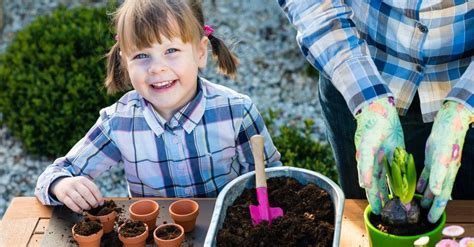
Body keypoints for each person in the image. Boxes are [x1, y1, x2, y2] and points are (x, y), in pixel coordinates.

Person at [35, 0, 281, 213]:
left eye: (171, 50)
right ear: (124, 61)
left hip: (225, 229)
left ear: (200, 52)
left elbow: (272, 181)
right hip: (156, 233)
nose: (156, 68)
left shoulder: (236, 112)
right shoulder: (119, 122)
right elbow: (56, 173)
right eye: (141, 56)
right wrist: (62, 185)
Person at [278, 0, 473, 223]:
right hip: (358, 76)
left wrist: (463, 106)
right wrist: (369, 99)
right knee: (365, 215)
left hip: (464, 80)